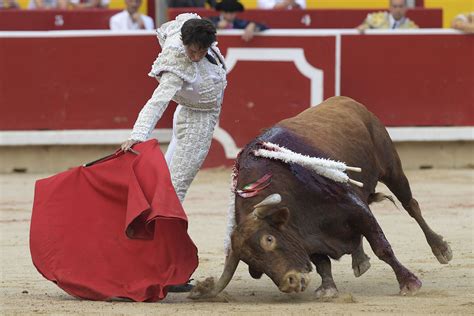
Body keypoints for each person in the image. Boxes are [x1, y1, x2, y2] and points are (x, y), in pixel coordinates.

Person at [121, 14, 227, 206]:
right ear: (183, 42)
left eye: (201, 51)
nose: (195, 57)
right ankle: (162, 230)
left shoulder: (187, 27)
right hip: (198, 121)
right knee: (177, 184)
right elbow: (157, 101)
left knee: (168, 179)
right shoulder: (176, 67)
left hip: (188, 110)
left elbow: (177, 24)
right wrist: (138, 135)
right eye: (192, 51)